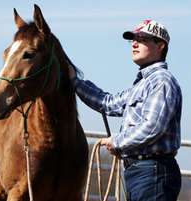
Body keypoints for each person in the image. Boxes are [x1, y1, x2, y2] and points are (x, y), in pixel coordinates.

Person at [69, 20, 182, 201]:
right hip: (140, 172)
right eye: (133, 39)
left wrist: (117, 141)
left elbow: (152, 127)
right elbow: (108, 103)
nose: (135, 43)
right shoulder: (143, 84)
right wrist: (75, 81)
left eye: (143, 39)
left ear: (160, 45)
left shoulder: (162, 81)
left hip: (152, 172)